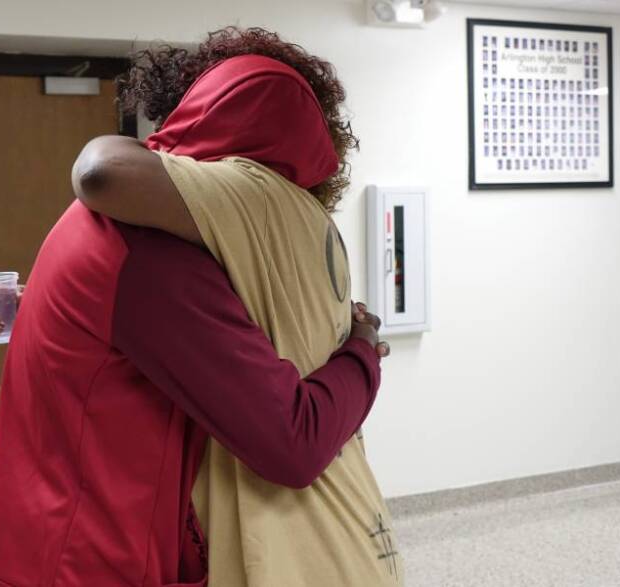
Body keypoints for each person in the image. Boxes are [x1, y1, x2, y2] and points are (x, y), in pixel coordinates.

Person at [0, 48, 387, 587]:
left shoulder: (126, 229)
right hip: (74, 564)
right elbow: (292, 442)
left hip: (43, 543)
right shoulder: (151, 249)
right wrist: (363, 350)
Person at [75, 28, 402, 586]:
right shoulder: (307, 223)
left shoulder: (251, 199)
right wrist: (363, 349)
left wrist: (362, 354)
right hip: (355, 520)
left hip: (296, 535)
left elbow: (103, 171)